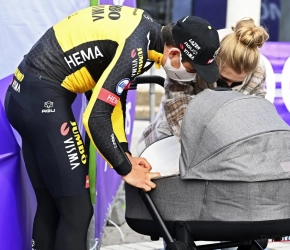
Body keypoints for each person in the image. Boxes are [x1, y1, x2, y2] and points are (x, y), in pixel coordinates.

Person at [4, 4, 220, 250]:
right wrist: (126, 169)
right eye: (192, 69)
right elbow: (95, 117)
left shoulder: (146, 31)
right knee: (78, 212)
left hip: (23, 94)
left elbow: (113, 101)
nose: (192, 76)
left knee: (52, 205)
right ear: (174, 54)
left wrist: (124, 151)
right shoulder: (137, 48)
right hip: (43, 100)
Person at [137, 17, 269, 155]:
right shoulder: (197, 56)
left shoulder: (257, 72)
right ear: (210, 64)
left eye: (236, 83)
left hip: (229, 147)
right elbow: (178, 111)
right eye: (223, 79)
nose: (228, 87)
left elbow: (255, 118)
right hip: (173, 137)